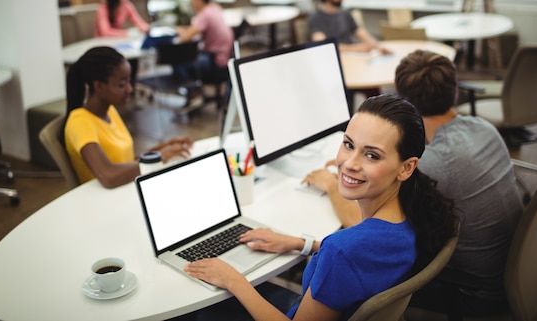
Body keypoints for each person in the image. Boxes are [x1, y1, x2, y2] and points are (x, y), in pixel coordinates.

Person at [182, 94, 457, 321]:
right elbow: (362, 257)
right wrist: (302, 243)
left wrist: (233, 279)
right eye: (348, 145)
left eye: (371, 155)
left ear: (407, 167)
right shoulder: (410, 216)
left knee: (197, 308)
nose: (350, 163)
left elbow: (347, 254)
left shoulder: (343, 250)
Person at [306, 50, 523, 316]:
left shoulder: (435, 163)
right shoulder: (484, 127)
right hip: (512, 271)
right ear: (454, 92)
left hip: (473, 294)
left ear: (405, 105)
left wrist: (330, 184)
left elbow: (363, 227)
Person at [62, 46, 193, 188]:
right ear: (99, 86)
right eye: (122, 84)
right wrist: (162, 156)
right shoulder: (80, 122)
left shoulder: (109, 110)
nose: (130, 89)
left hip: (125, 188)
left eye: (129, 82)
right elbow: (108, 176)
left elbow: (128, 162)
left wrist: (166, 148)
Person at [308, 0, 388, 54]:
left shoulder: (345, 13)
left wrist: (378, 46)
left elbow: (361, 33)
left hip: (353, 56)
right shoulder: (316, 18)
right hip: (335, 58)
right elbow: (324, 46)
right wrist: (356, 48)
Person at [95, 0, 152, 92]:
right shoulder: (102, 8)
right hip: (103, 44)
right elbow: (105, 32)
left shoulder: (127, 6)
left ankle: (130, 90)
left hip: (118, 42)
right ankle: (114, 91)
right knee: (115, 66)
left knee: (133, 59)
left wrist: (146, 28)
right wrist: (128, 33)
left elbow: (138, 22)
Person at [175, 0, 235, 84]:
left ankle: (192, 91)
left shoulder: (204, 15)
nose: (191, 1)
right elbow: (195, 29)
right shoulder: (215, 8)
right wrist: (186, 30)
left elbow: (185, 38)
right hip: (226, 59)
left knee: (177, 59)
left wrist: (178, 31)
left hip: (215, 62)